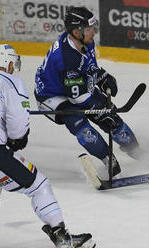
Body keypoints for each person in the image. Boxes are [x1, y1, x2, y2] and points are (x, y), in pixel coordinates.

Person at [0, 44, 96, 247]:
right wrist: (17, 138)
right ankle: (61, 237)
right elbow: (17, 120)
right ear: (7, 63)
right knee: (39, 186)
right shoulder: (10, 82)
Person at [34, 6, 141, 180]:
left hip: (74, 86)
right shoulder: (66, 58)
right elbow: (77, 98)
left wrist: (102, 76)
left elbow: (88, 66)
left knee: (111, 117)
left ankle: (136, 150)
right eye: (89, 29)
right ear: (76, 32)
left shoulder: (85, 42)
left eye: (92, 28)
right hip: (51, 95)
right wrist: (100, 111)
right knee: (80, 124)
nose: (93, 32)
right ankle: (108, 159)